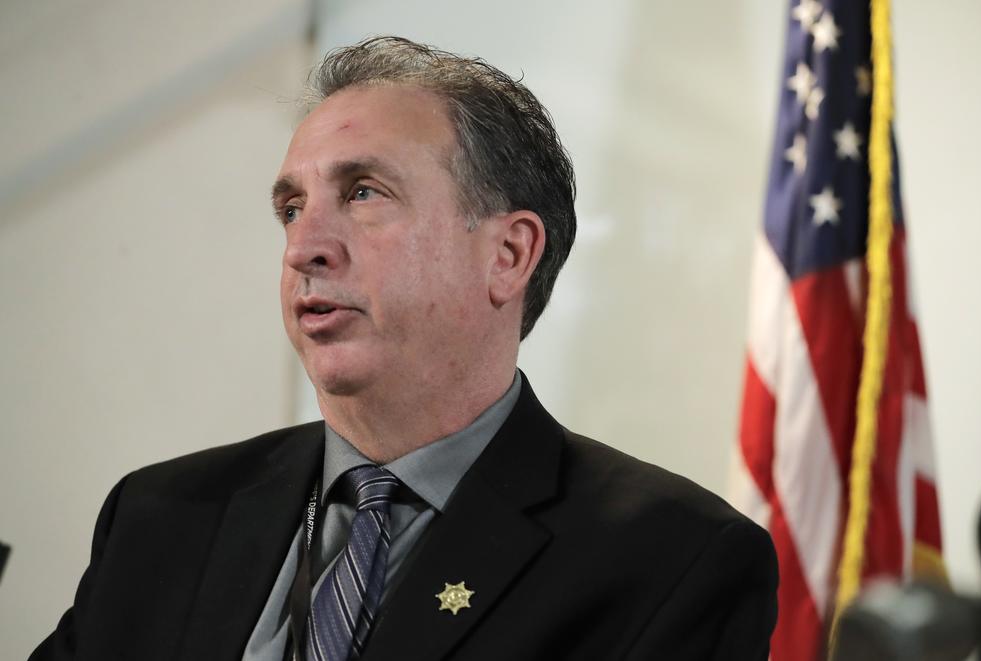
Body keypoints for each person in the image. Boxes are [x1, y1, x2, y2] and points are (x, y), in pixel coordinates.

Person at [31, 36, 777, 660]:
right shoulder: (162, 517)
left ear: (509, 254)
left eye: (362, 192)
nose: (304, 248)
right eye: (291, 209)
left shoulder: (673, 561)